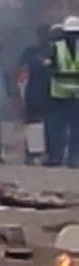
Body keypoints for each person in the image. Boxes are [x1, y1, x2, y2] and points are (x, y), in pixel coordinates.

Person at [46, 16, 79, 167]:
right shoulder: (55, 47)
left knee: (59, 128)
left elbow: (49, 68)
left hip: (59, 94)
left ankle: (57, 157)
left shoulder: (55, 46)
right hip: (70, 96)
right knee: (72, 128)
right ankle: (72, 158)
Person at [17, 24, 52, 164]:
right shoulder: (30, 51)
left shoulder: (53, 50)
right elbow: (20, 68)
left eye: (45, 33)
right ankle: (31, 153)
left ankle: (47, 152)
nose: (42, 36)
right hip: (32, 92)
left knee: (49, 125)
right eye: (40, 33)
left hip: (50, 92)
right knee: (32, 124)